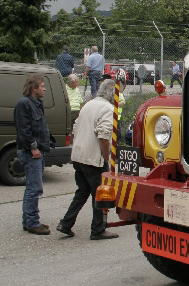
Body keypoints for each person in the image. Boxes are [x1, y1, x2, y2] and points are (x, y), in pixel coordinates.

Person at [56, 79, 119, 240]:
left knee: (82, 191)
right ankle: (97, 229)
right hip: (93, 159)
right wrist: (107, 158)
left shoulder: (89, 105)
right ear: (112, 94)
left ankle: (66, 223)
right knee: (100, 193)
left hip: (78, 156)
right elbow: (104, 135)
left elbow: (76, 127)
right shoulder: (108, 108)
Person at [13, 74, 53, 235]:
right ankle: (32, 223)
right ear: (33, 88)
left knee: (33, 187)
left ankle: (29, 221)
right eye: (42, 86)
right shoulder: (24, 104)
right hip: (32, 153)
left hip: (39, 151)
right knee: (34, 188)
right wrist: (33, 148)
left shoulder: (36, 104)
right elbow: (24, 130)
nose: (44, 89)